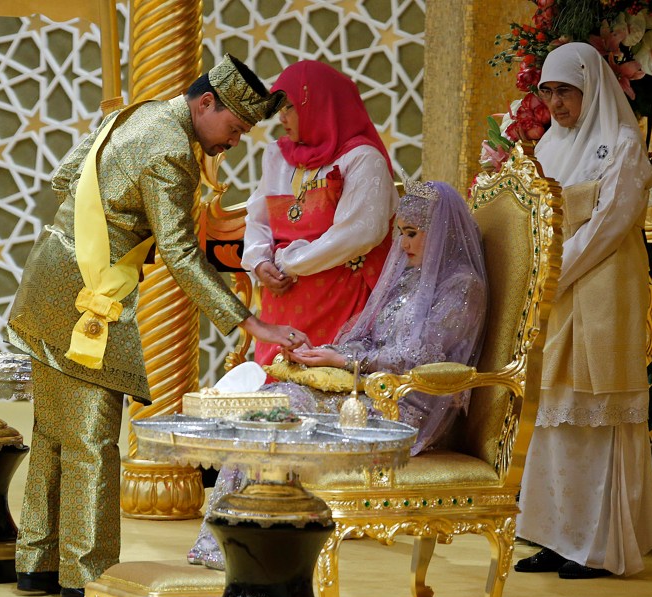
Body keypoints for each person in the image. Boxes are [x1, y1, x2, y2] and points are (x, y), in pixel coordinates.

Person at [5, 54, 309, 597]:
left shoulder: (134, 113)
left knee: (55, 432)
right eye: (235, 128)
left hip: (48, 274)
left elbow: (64, 175)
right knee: (94, 440)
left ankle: (37, 561)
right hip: (88, 295)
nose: (234, 142)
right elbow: (179, 252)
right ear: (206, 103)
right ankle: (85, 576)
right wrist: (249, 319)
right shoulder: (172, 151)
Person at [187, 180, 488, 569]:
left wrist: (342, 363)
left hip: (404, 410)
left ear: (442, 231)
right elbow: (370, 341)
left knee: (286, 413)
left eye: (412, 234)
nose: (404, 245)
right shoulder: (407, 279)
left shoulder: (463, 286)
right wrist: (328, 353)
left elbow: (418, 358)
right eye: (401, 234)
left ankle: (244, 544)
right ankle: (232, 539)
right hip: (363, 392)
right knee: (275, 406)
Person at [514, 42, 652, 579]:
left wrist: (548, 275)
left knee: (594, 416)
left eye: (566, 91)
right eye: (547, 91)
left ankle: (597, 547)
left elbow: (608, 226)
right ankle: (558, 537)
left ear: (592, 88)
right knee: (555, 417)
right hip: (557, 295)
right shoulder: (550, 146)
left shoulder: (622, 143)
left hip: (601, 291)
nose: (556, 103)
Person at [241, 60, 399, 365]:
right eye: (280, 109)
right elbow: (258, 217)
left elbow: (359, 233)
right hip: (281, 301)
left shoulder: (362, 159)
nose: (282, 118)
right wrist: (260, 262)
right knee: (273, 396)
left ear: (320, 105)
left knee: (323, 392)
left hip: (340, 300)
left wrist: (289, 261)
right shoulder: (278, 155)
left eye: (290, 107)